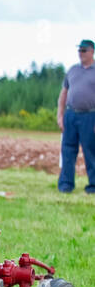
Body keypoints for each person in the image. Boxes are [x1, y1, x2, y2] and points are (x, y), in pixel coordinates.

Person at [56, 39, 95, 194]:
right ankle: (66, 185)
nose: (81, 53)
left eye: (84, 50)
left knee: (91, 151)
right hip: (71, 115)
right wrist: (60, 115)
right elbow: (63, 93)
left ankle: (93, 185)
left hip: (90, 116)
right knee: (67, 150)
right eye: (79, 50)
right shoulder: (72, 70)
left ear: (92, 51)